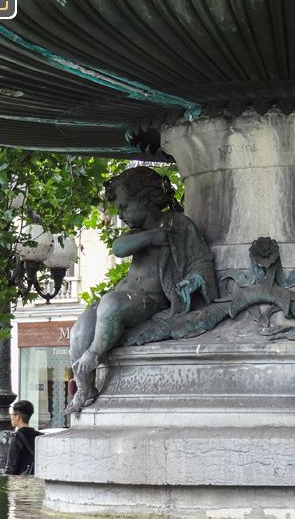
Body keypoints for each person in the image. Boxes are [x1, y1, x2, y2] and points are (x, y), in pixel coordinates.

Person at [66, 167, 216, 413]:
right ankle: (85, 387)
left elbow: (200, 261)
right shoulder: (138, 235)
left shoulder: (176, 223)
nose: (121, 213)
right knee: (80, 329)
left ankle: (94, 354)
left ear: (145, 199)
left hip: (148, 301)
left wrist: (194, 280)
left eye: (124, 206)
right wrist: (151, 237)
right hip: (119, 297)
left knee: (112, 305)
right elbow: (118, 248)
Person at [4, 400, 42, 475]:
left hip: (21, 481)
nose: (11, 417)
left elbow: (12, 466)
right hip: (35, 478)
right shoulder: (39, 435)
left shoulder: (17, 437)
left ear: (17, 417)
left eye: (12, 414)